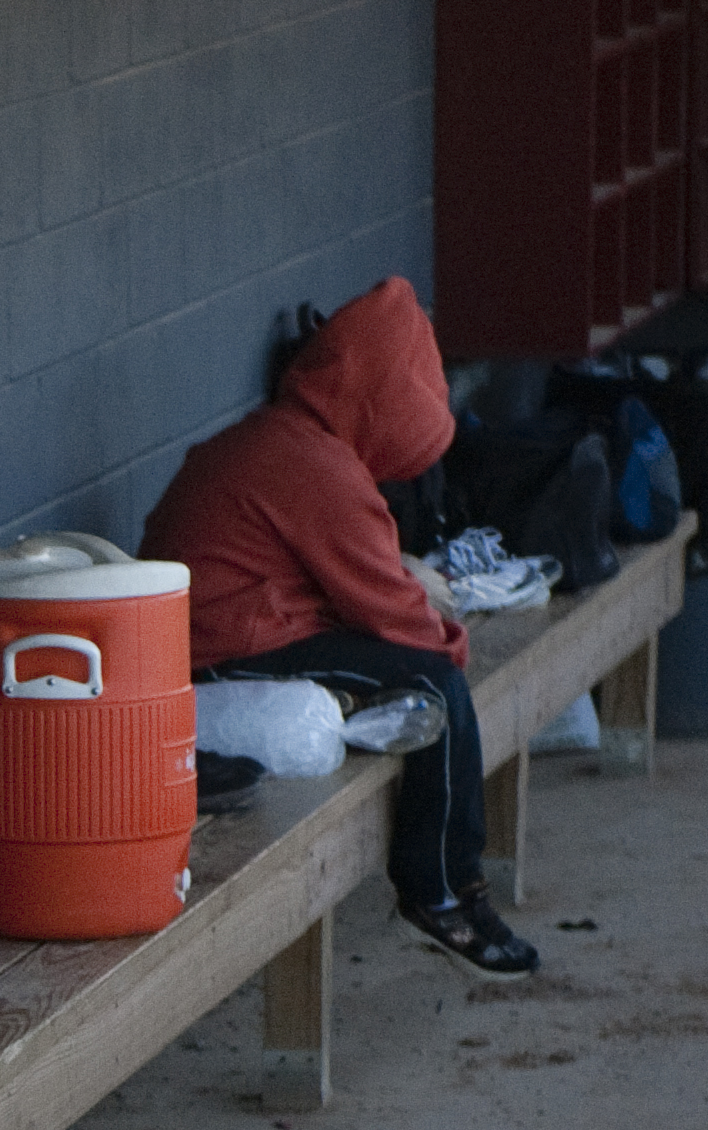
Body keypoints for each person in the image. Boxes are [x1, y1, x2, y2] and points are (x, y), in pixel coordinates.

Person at [139, 274, 534, 978]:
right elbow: (395, 615)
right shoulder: (311, 462)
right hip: (215, 652)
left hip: (227, 631)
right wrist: (452, 639)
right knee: (437, 686)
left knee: (419, 677)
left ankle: (453, 884)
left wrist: (410, 593)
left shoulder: (289, 437)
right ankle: (441, 892)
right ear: (376, 399)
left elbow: (367, 581)